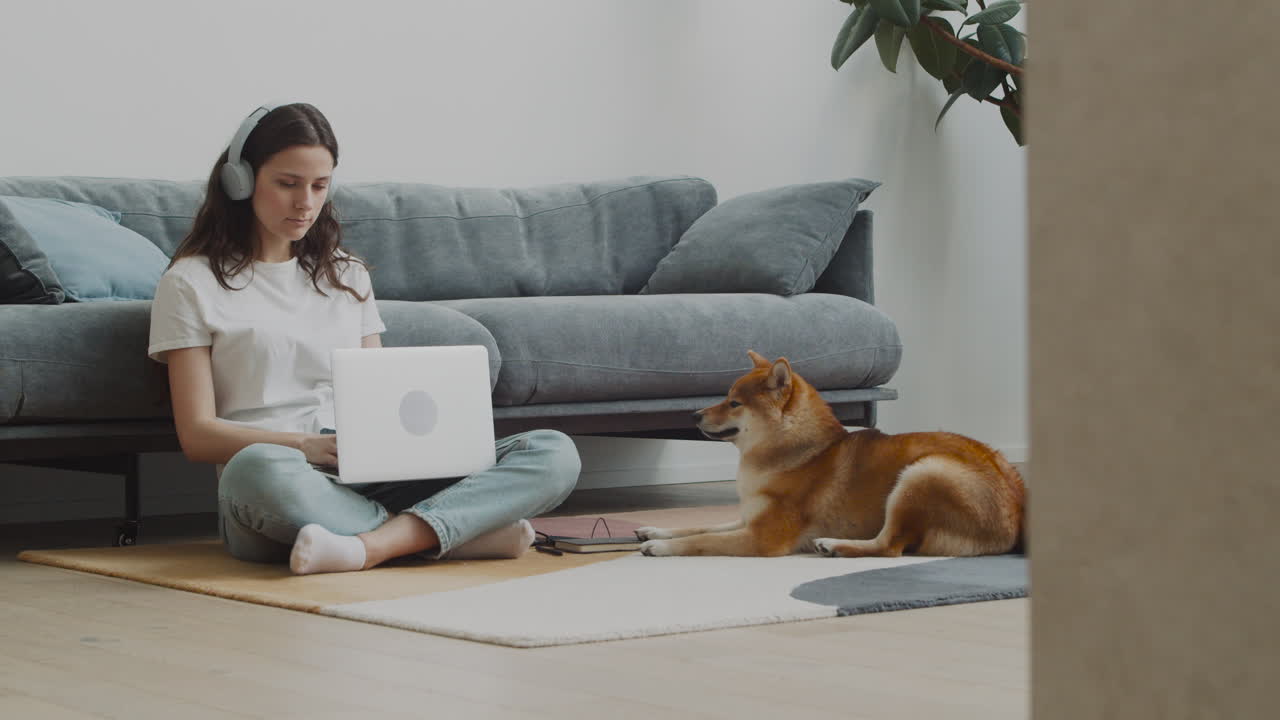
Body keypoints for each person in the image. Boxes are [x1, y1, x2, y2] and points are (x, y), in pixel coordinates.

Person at [147, 103, 580, 575]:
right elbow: (197, 435)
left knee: (552, 451)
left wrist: (405, 446)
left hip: (371, 471)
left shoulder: (346, 273)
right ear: (241, 181)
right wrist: (304, 446)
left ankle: (370, 546)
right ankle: (448, 533)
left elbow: (379, 397)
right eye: (288, 184)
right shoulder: (190, 283)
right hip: (285, 478)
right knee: (254, 470)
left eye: (319, 185)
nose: (305, 203)